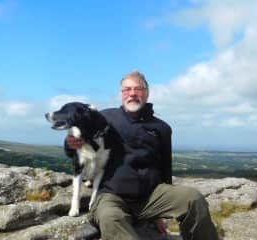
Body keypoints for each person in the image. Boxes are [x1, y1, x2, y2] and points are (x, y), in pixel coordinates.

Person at [65, 70, 219, 240]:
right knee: (111, 217)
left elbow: (165, 167)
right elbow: (78, 143)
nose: (132, 93)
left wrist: (160, 212)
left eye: (138, 89)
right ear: (121, 94)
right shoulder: (104, 118)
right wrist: (70, 144)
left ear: (146, 93)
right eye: (127, 89)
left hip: (150, 197)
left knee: (193, 199)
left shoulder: (162, 128)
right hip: (111, 196)